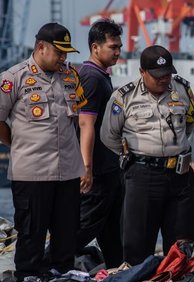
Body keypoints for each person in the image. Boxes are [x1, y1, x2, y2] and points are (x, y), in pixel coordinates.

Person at [0, 23, 86, 281]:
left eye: (66, 53)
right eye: (59, 52)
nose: (64, 58)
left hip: (67, 173)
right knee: (31, 235)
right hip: (31, 173)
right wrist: (17, 144)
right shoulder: (13, 78)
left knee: (66, 235)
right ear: (41, 47)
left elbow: (80, 120)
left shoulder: (70, 76)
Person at [100, 45, 194, 266]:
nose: (164, 80)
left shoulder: (182, 89)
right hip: (142, 176)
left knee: (181, 247)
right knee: (137, 246)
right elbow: (108, 136)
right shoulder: (124, 96)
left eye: (167, 74)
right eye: (157, 76)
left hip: (180, 176)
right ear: (142, 72)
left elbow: (191, 121)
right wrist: (137, 157)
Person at [76, 19, 124, 268]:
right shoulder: (92, 78)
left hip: (109, 168)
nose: (117, 52)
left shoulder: (100, 76)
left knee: (111, 229)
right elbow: (85, 124)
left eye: (119, 47)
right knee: (85, 226)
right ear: (95, 47)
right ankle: (49, 267)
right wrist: (87, 167)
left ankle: (118, 271)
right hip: (98, 172)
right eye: (113, 47)